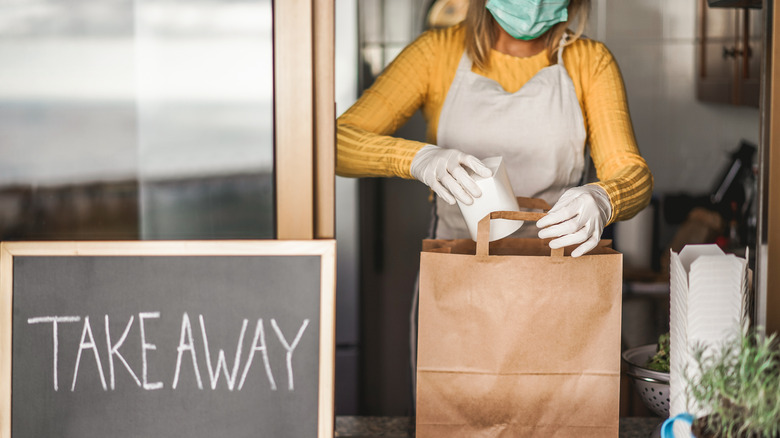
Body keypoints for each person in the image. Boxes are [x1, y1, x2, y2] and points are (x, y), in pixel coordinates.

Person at [336, 0, 653, 256]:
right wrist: (417, 158)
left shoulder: (590, 61)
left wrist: (603, 197)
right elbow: (335, 145)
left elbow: (631, 173)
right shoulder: (436, 52)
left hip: (556, 269)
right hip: (456, 268)